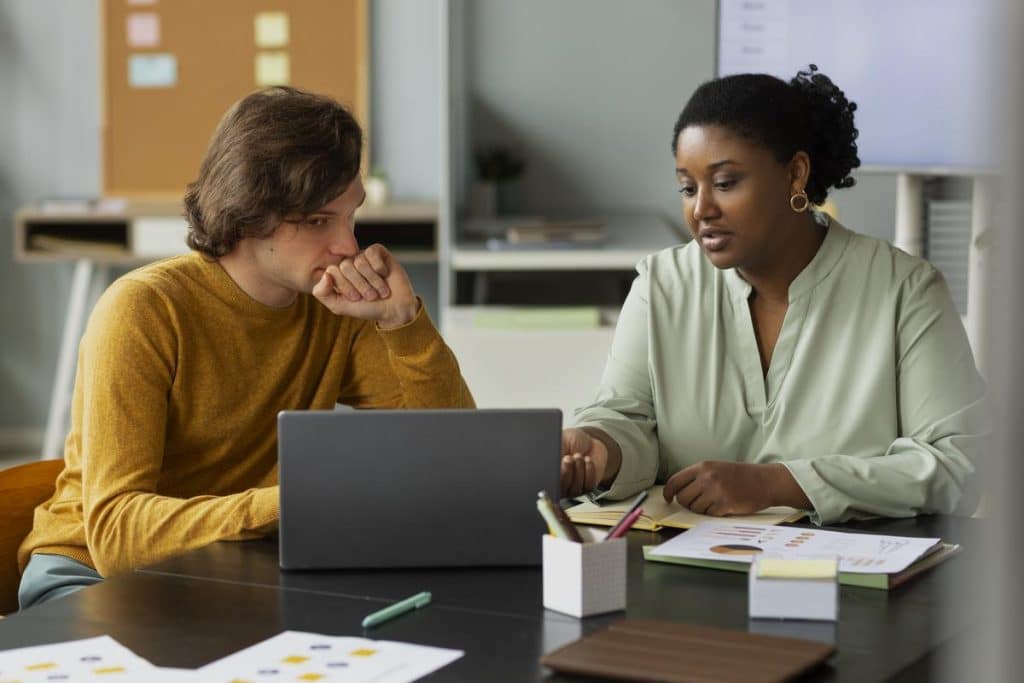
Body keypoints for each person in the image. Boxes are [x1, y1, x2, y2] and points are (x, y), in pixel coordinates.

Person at [17, 87, 475, 608]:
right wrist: (291, 504)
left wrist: (402, 322)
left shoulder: (335, 309)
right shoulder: (142, 310)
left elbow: (455, 458)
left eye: (351, 216)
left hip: (233, 568)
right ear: (251, 213)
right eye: (320, 221)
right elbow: (117, 535)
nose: (349, 246)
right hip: (92, 578)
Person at [559, 66, 986, 525]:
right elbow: (627, 419)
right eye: (688, 187)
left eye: (724, 183)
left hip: (851, 580)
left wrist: (776, 483)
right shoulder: (662, 284)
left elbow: (957, 465)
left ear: (795, 175)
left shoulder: (905, 290)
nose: (701, 209)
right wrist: (601, 449)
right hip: (685, 577)